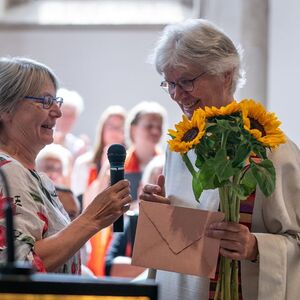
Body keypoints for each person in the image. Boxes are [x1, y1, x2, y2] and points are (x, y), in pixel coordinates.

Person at [140, 19, 300, 300]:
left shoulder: (271, 149)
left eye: (186, 81)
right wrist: (163, 214)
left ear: (226, 73)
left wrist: (255, 247)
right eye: (170, 84)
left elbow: (295, 239)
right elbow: (181, 243)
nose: (177, 95)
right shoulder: (180, 145)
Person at [0, 57, 132, 275]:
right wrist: (92, 218)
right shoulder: (8, 171)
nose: (57, 112)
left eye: (55, 101)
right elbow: (19, 267)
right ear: (6, 109)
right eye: (44, 101)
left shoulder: (33, 176)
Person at [105, 154, 165, 278]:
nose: (160, 191)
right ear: (142, 189)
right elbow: (110, 266)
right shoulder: (133, 219)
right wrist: (158, 269)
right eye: (155, 183)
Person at [71, 105, 127, 199]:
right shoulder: (84, 163)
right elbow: (82, 201)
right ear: (102, 129)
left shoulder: (131, 162)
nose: (115, 132)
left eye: (120, 127)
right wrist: (104, 168)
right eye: (111, 126)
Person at [54, 87, 89, 161]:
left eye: (71, 116)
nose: (67, 120)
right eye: (64, 114)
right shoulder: (45, 139)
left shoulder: (77, 145)